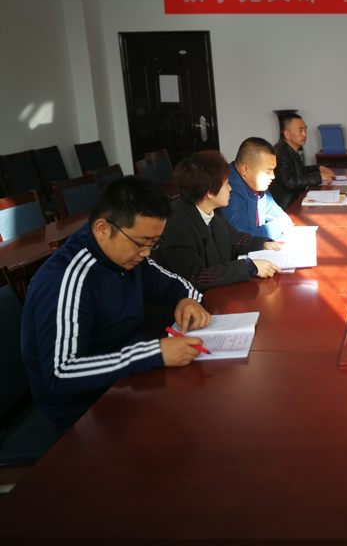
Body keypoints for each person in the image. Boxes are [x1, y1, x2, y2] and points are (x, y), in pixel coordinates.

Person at [21, 176, 210, 431]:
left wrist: (187, 300)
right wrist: (153, 353)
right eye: (141, 243)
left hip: (132, 382)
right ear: (102, 228)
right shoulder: (66, 279)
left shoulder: (127, 256)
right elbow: (62, 373)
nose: (146, 253)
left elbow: (174, 285)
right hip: (87, 410)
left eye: (153, 244)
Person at [152, 150, 282, 292]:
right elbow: (196, 277)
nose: (230, 188)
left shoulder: (212, 210)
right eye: (226, 183)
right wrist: (249, 267)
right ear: (209, 192)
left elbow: (234, 239)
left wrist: (262, 244)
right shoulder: (177, 224)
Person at [223, 137, 293, 240]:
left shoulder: (256, 184)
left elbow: (276, 213)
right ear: (245, 170)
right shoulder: (229, 190)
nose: (273, 176)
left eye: (273, 170)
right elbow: (241, 237)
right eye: (267, 171)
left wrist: (283, 222)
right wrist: (277, 228)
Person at [269, 114, 336, 209]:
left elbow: (300, 171)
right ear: (287, 134)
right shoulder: (280, 155)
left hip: (296, 201)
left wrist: (318, 168)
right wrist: (318, 177)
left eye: (305, 130)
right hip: (286, 207)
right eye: (300, 130)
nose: (304, 134)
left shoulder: (290, 151)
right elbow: (290, 182)